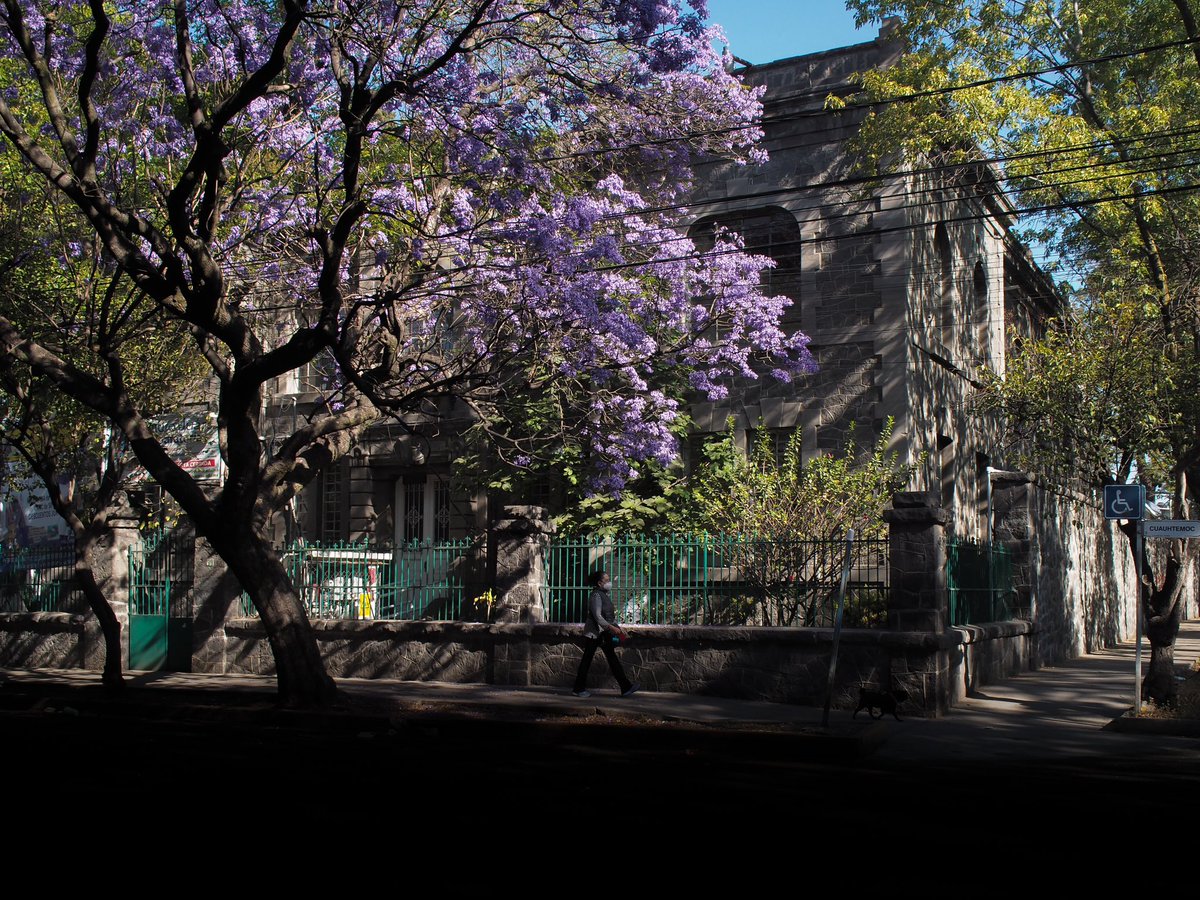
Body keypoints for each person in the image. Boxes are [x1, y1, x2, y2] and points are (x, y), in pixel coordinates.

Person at [572, 570, 640, 698]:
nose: (609, 583)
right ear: (599, 583)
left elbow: (608, 616)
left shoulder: (604, 595)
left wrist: (616, 628)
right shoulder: (596, 596)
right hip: (594, 633)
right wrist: (611, 628)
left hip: (603, 633)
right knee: (587, 660)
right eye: (607, 580)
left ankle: (625, 687)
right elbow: (597, 616)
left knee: (611, 658)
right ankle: (578, 688)